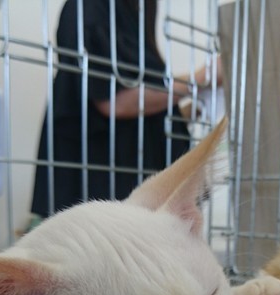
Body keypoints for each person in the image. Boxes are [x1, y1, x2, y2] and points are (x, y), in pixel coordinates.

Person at [31, 0, 219, 218]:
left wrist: (197, 104)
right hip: (101, 185)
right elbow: (114, 101)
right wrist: (202, 78)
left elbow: (141, 116)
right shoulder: (92, 8)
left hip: (121, 184)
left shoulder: (131, 12)